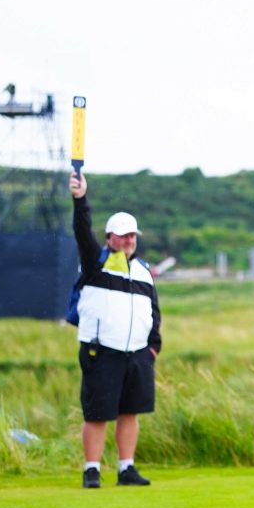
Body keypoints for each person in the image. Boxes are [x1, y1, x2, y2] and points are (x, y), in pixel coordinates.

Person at [69, 170, 161, 489]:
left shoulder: (142, 271)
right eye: (122, 236)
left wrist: (153, 347)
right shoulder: (96, 262)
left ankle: (126, 468)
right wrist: (80, 199)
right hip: (101, 349)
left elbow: (154, 312)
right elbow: (82, 231)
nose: (129, 241)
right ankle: (92, 469)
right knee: (97, 413)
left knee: (130, 411)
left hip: (137, 353)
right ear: (109, 237)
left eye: (132, 236)